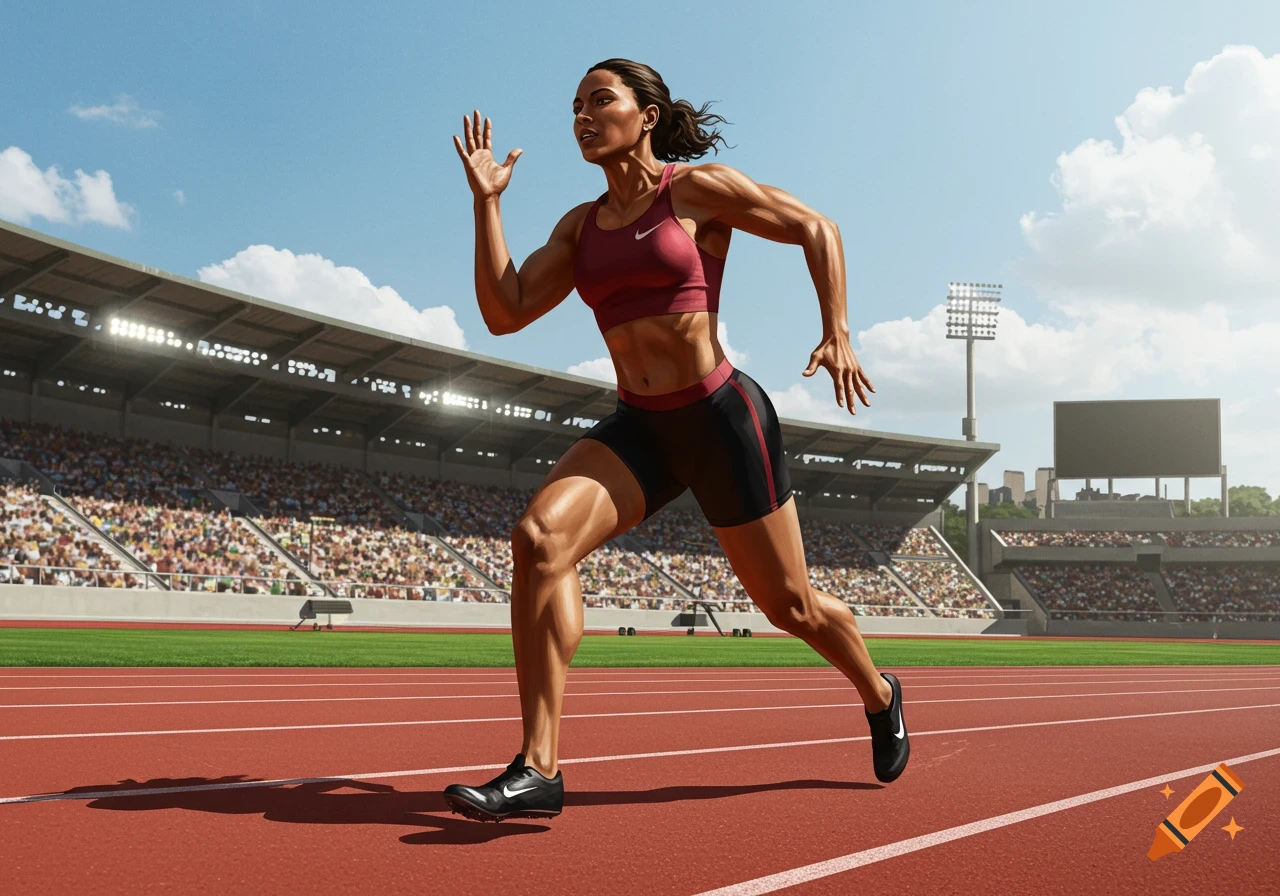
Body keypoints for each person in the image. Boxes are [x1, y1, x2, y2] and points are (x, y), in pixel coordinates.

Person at [444, 58, 908, 822]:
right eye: (576, 107)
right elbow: (506, 310)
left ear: (647, 114)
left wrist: (838, 333)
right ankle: (539, 765)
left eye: (601, 100)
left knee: (791, 606)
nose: (584, 117)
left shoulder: (693, 192)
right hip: (641, 428)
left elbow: (814, 227)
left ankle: (879, 691)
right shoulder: (580, 227)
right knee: (538, 540)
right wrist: (487, 206)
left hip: (721, 418)